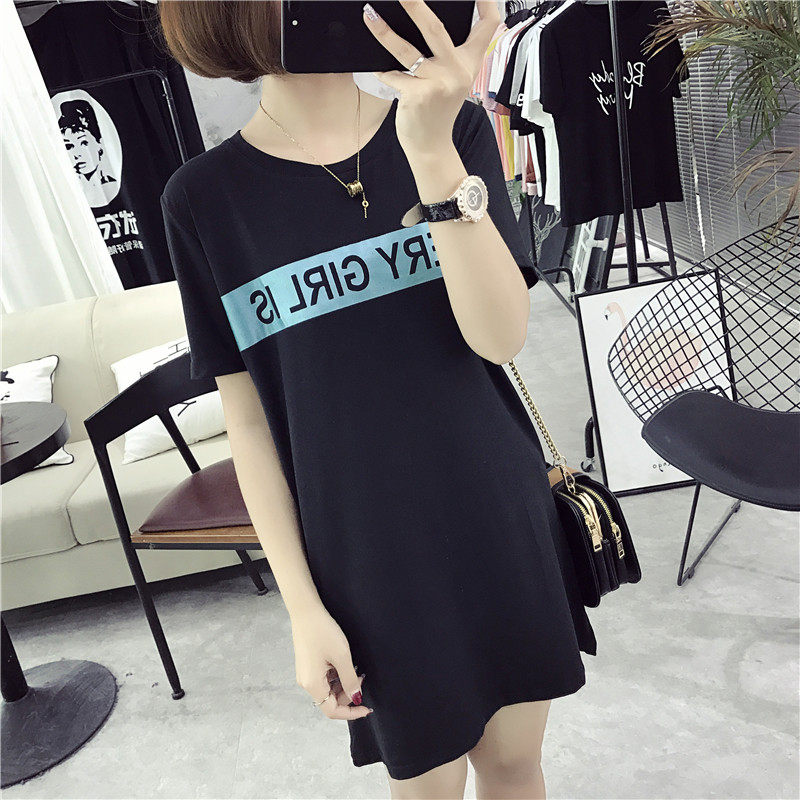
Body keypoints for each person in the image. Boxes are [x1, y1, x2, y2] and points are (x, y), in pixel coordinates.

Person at [157, 2, 596, 797]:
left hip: (495, 513)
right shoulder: (204, 201)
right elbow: (249, 423)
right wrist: (302, 609)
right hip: (365, 562)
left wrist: (429, 153)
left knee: (514, 765)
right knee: (425, 785)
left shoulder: (451, 130)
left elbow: (501, 337)